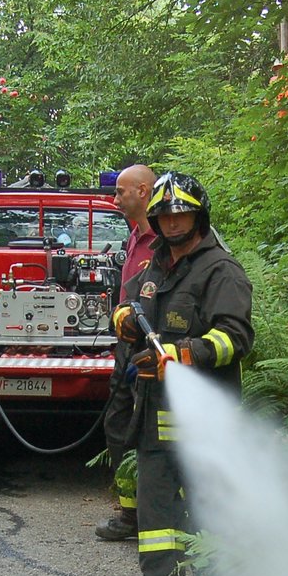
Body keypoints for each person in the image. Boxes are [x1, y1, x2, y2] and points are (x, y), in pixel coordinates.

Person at [110, 173, 253, 576]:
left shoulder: (221, 271)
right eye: (165, 216)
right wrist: (124, 320)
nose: (173, 224)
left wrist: (182, 352)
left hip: (204, 413)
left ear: (199, 215)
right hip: (155, 410)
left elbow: (236, 338)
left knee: (209, 497)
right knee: (156, 502)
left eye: (182, 214)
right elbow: (137, 303)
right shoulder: (157, 265)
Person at [94, 163, 158, 542]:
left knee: (146, 431)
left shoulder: (163, 242)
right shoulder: (134, 236)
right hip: (126, 344)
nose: (115, 199)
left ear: (144, 192)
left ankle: (151, 512)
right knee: (117, 424)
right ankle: (129, 511)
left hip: (150, 348)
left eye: (120, 192)